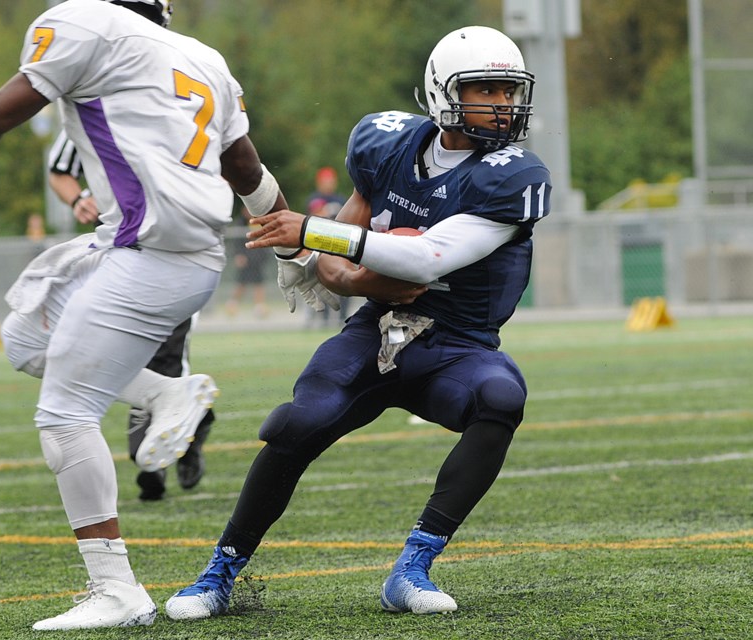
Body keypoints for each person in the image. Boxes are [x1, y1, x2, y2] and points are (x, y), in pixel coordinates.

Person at [0, 0, 321, 630]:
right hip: (161, 250)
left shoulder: (84, 25)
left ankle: (115, 587)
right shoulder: (201, 57)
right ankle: (166, 394)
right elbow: (247, 171)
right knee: (24, 338)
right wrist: (292, 241)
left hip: (153, 255)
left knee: (65, 416)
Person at [165, 25, 551, 621]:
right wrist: (355, 268)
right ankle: (219, 572)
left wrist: (315, 234)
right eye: (486, 90)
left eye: (509, 91)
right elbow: (336, 272)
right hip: (377, 330)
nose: (503, 105)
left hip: (458, 345)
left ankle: (413, 568)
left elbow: (425, 259)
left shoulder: (512, 174)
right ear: (443, 91)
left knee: (500, 396)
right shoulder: (387, 143)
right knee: (296, 423)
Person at [47, 129, 216, 501]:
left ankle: (155, 457)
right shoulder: (88, 105)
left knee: (165, 354)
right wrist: (79, 200)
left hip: (176, 251)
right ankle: (192, 422)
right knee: (110, 352)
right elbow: (59, 169)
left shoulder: (167, 101)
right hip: (117, 255)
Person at [304, 166, 352, 328]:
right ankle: (324, 319)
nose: (329, 184)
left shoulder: (340, 199)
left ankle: (343, 317)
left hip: (338, 247)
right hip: (319, 247)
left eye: (331, 181)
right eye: (326, 181)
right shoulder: (315, 198)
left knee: (344, 281)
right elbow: (315, 214)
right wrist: (328, 210)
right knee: (322, 284)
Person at [225, 205, 271, 318]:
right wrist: (238, 255)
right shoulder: (240, 223)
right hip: (245, 258)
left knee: (259, 282)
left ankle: (259, 307)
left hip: (257, 258)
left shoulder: (260, 222)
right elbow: (237, 243)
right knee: (242, 283)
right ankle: (232, 305)